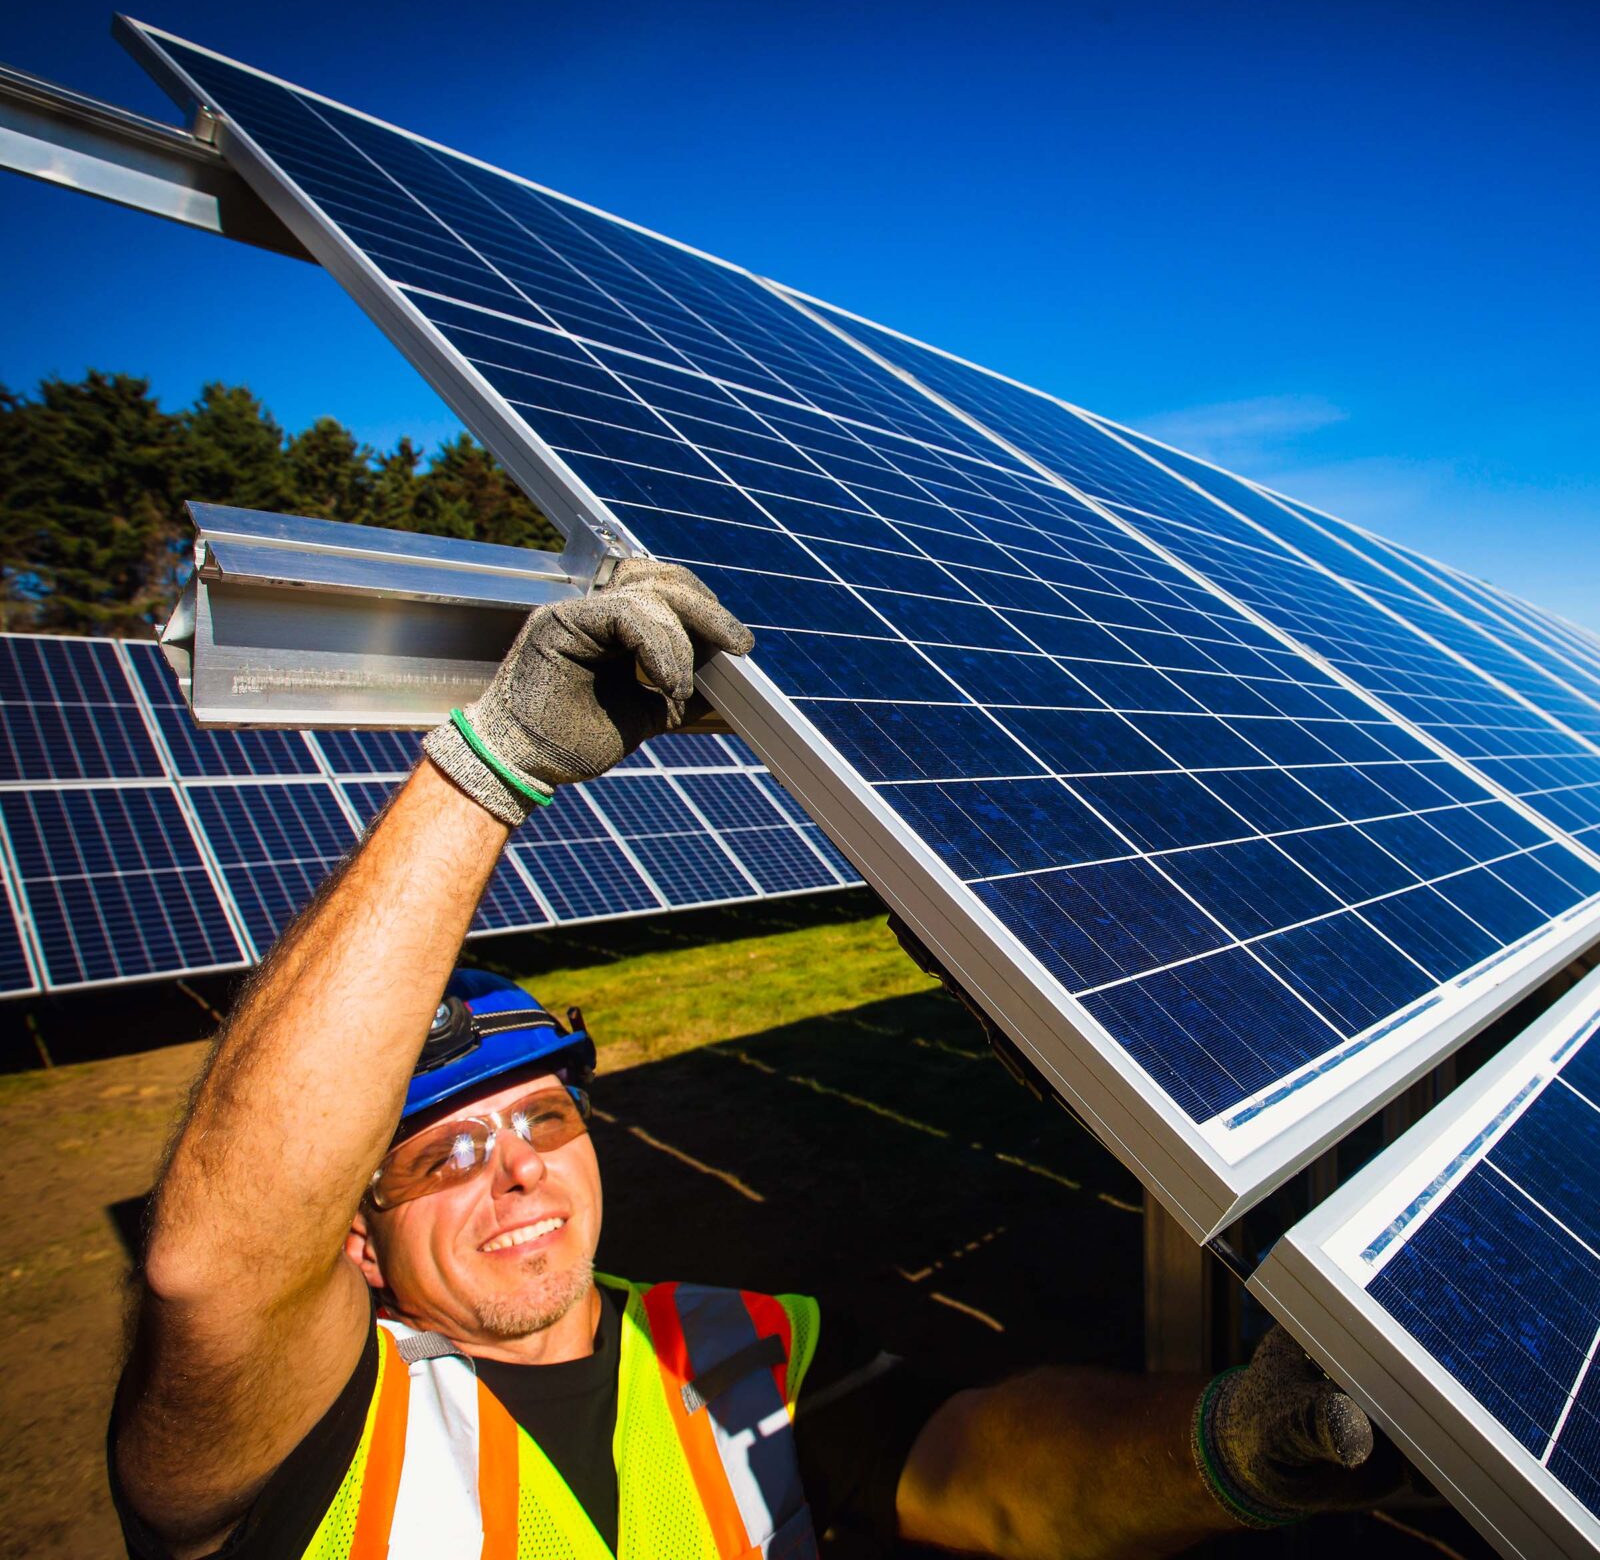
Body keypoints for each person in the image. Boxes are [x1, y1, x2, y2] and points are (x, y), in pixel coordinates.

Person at [111, 561, 1401, 1559]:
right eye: (446, 1150)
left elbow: (978, 1474)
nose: (517, 1174)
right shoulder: (303, 1429)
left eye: (547, 1122)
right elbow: (212, 1268)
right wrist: (483, 774)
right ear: (349, 1236)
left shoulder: (734, 1346)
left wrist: (1229, 1450)